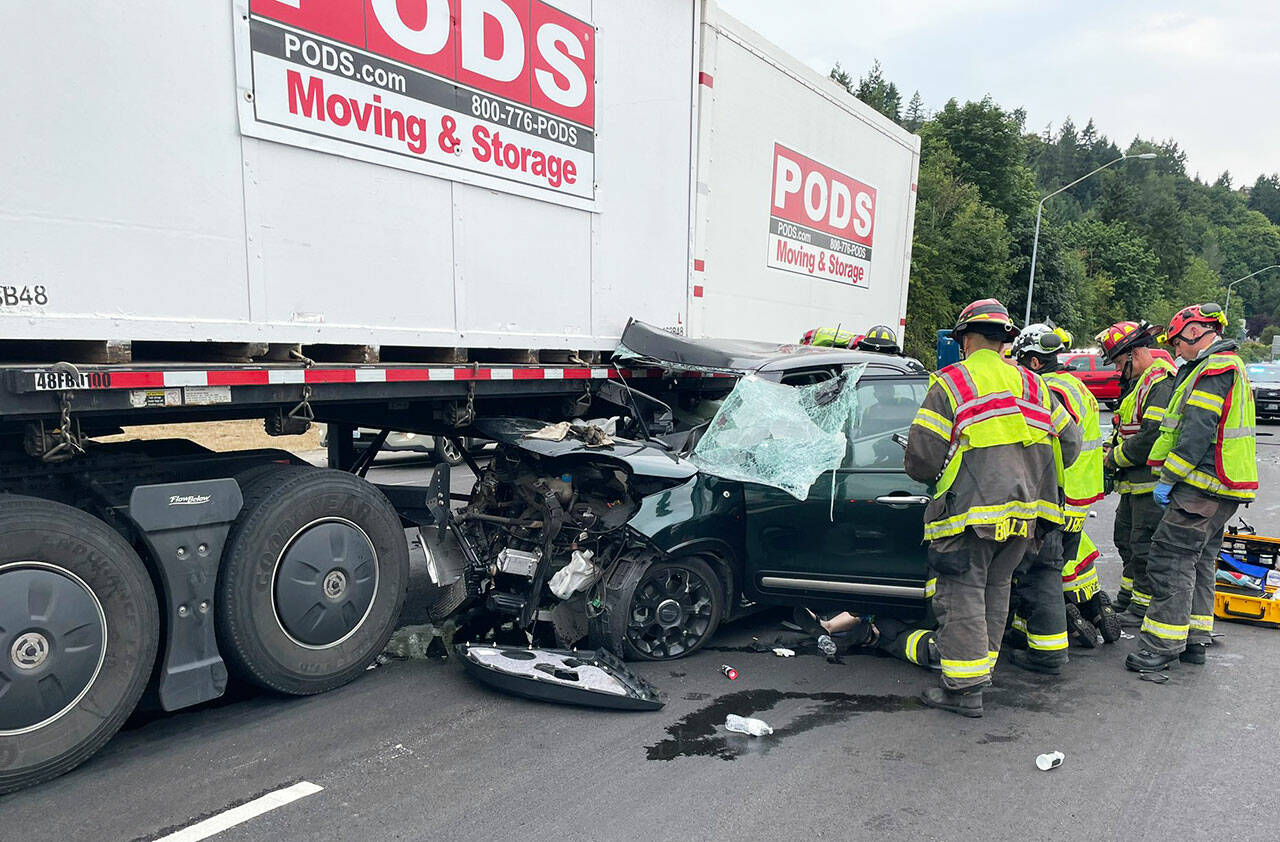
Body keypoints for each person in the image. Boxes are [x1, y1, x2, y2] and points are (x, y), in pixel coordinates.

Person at [903, 299, 1080, 716]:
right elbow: (1069, 445)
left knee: (962, 593)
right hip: (1027, 518)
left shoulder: (952, 382)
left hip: (970, 516)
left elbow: (923, 459)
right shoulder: (1034, 383)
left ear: (965, 338)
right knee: (996, 589)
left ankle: (963, 690)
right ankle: (980, 673)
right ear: (1005, 339)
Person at [1126, 304, 1258, 672]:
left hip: (1200, 487)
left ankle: (1161, 646)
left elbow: (1196, 432)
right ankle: (1195, 639)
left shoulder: (1214, 369)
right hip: (1222, 488)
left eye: (1177, 341)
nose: (1174, 349)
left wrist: (1168, 478)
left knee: (1170, 561)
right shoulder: (1228, 367)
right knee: (1199, 563)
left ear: (1198, 332)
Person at [1006, 324, 1108, 671]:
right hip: (1079, 496)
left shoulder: (1049, 391)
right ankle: (1034, 631)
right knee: (1052, 569)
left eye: (1021, 362)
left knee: (1036, 570)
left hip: (1057, 496)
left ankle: (1043, 639)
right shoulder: (1076, 385)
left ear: (1034, 361)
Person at [1096, 320, 1176, 627]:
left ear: (1136, 353)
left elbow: (1151, 435)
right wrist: (1109, 449)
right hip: (1133, 484)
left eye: (1119, 362)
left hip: (1148, 483)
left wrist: (1113, 458)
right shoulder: (1140, 383)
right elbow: (1123, 428)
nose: (1118, 369)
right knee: (1125, 540)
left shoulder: (1161, 383)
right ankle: (1128, 599)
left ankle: (1141, 607)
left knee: (1143, 546)